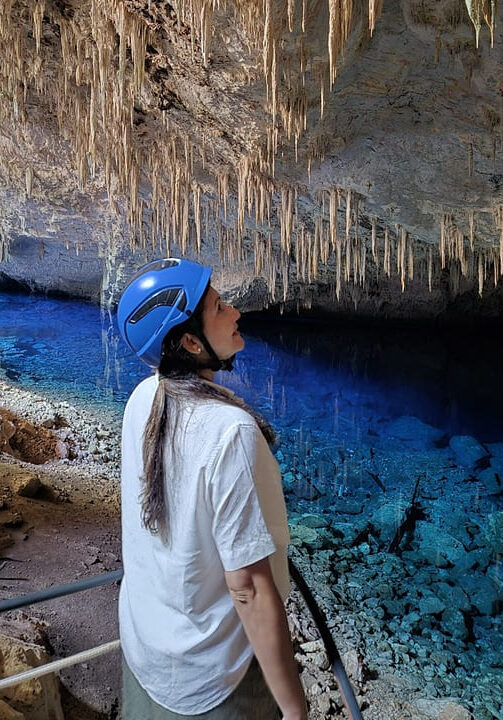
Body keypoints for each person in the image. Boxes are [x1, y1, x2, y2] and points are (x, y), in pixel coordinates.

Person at [117, 257, 308, 720]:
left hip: (146, 649)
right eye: (220, 307)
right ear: (189, 341)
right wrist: (295, 710)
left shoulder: (143, 399)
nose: (236, 313)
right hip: (212, 675)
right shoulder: (231, 432)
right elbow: (248, 589)